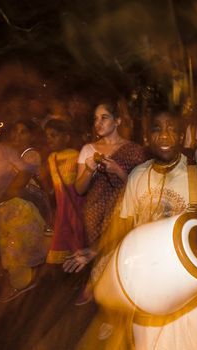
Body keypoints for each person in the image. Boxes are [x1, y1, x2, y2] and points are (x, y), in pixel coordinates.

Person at [116, 107, 197, 349]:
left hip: (191, 291)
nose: (164, 135)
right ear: (146, 138)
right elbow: (124, 227)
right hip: (147, 284)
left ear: (183, 138)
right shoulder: (136, 177)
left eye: (173, 130)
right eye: (157, 129)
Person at [0, 121, 51, 302]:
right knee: (18, 252)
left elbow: (19, 184)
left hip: (25, 210)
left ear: (31, 135)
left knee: (20, 252)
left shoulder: (31, 155)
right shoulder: (7, 154)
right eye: (15, 132)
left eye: (23, 131)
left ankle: (25, 288)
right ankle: (29, 287)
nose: (18, 136)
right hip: (11, 210)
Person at [71, 100, 146, 273]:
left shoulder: (134, 150)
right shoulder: (88, 149)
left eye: (104, 118)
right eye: (95, 119)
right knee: (100, 265)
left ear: (117, 121)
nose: (98, 123)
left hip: (124, 215)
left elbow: (141, 189)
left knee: (124, 262)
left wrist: (118, 171)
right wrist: (89, 170)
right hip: (95, 214)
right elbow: (79, 189)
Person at [43, 119, 86, 268]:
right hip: (62, 212)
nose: (49, 139)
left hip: (76, 209)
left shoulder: (76, 156)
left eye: (53, 135)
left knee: (78, 245)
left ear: (66, 137)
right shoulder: (51, 158)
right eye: (47, 136)